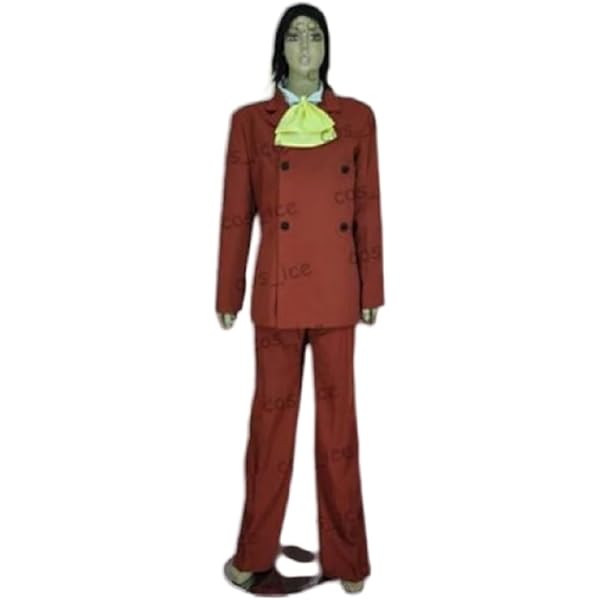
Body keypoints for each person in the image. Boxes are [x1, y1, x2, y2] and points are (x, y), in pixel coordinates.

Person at [216, 3, 384, 593]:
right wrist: (228, 291)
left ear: (327, 47)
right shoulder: (250, 122)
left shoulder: (357, 118)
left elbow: (367, 205)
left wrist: (372, 287)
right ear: (280, 48)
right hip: (276, 296)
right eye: (295, 35)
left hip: (338, 292)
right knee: (270, 431)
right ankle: (254, 551)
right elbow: (236, 215)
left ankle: (349, 559)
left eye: (315, 34)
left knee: (339, 433)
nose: (306, 44)